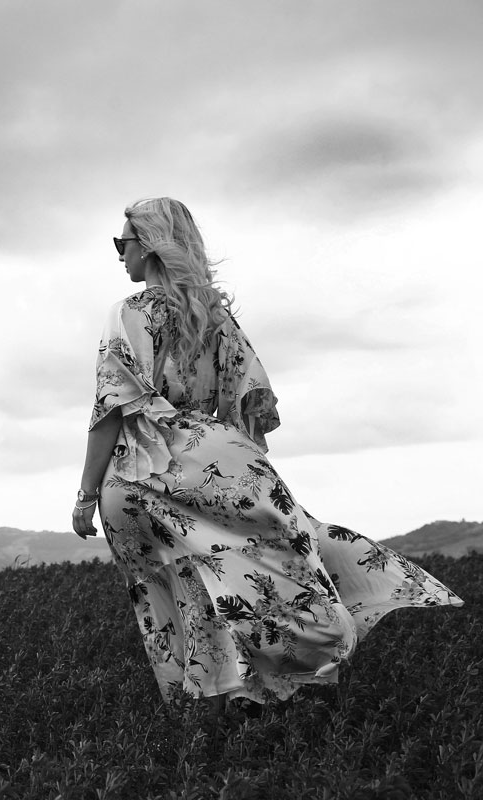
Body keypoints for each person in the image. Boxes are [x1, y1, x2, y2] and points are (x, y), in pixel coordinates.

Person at [71, 197, 463, 719]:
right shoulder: (214, 316)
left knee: (175, 591)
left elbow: (110, 411)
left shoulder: (127, 314)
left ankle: (202, 714)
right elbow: (248, 403)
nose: (119, 255)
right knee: (274, 554)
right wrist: (231, 463)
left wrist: (85, 495)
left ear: (152, 247)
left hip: (144, 469)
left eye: (124, 244)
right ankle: (285, 669)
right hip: (218, 454)